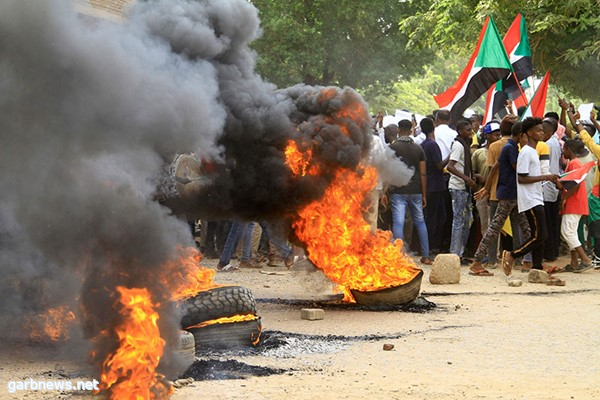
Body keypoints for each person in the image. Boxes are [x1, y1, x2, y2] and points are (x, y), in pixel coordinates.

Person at [469, 122, 530, 276]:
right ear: (521, 135)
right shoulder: (511, 148)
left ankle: (527, 260)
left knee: (526, 229)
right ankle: (477, 261)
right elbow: (520, 170)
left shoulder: (509, 147)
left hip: (511, 194)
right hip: (509, 195)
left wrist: (486, 188)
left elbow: (495, 167)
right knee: (496, 228)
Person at [501, 117, 559, 275]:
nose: (541, 133)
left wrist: (551, 178)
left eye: (542, 130)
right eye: (539, 130)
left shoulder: (533, 151)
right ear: (529, 132)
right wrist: (545, 177)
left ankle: (537, 268)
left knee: (539, 235)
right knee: (540, 235)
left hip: (536, 196)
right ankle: (513, 255)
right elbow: (521, 178)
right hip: (530, 199)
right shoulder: (526, 152)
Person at [389, 119, 431, 264]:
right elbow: (423, 174)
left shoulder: (393, 148)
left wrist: (385, 191)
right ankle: (425, 255)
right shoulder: (418, 149)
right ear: (412, 130)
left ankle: (399, 256)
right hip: (416, 191)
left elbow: (388, 170)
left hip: (398, 190)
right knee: (420, 222)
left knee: (398, 222)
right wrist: (424, 194)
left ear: (399, 130)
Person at [559, 139, 593, 272]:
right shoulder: (574, 163)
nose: (563, 152)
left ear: (568, 149)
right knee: (571, 232)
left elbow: (575, 183)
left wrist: (565, 198)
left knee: (567, 231)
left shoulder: (574, 163)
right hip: (575, 202)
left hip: (574, 202)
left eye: (564, 150)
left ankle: (585, 259)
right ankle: (574, 262)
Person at [446, 120, 476, 263]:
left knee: (466, 220)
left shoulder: (465, 144)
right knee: (459, 220)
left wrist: (472, 177)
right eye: (468, 130)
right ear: (460, 131)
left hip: (465, 187)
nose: (471, 132)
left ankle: (460, 252)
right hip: (458, 187)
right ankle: (455, 254)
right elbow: (450, 166)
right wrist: (466, 178)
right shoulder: (458, 145)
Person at [471, 121, 500, 252]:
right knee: (484, 224)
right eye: (495, 135)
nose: (498, 137)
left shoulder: (501, 150)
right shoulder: (478, 153)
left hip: (496, 193)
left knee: (496, 225)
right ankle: (486, 252)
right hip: (482, 193)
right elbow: (472, 171)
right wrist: (478, 176)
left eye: (499, 134)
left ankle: (495, 252)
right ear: (487, 136)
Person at [420, 117, 448, 255]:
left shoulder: (424, 144)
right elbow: (439, 165)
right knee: (436, 218)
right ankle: (432, 246)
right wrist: (451, 156)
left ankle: (430, 245)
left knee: (434, 217)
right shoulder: (432, 145)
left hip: (430, 186)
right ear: (434, 126)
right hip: (435, 186)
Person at [541, 118, 562, 262]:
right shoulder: (556, 143)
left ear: (548, 132)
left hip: (546, 186)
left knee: (547, 223)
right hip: (553, 186)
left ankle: (548, 253)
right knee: (553, 222)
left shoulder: (546, 145)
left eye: (541, 131)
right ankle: (554, 251)